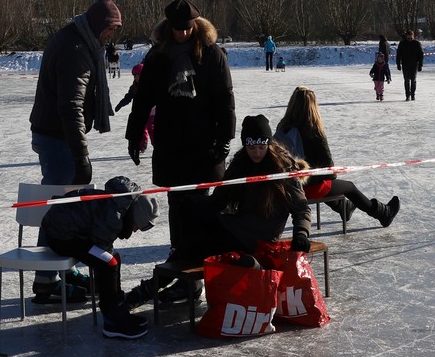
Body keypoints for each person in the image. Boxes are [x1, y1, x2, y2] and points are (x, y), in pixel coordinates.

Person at [125, 115, 310, 307]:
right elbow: (219, 200)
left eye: (261, 147)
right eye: (251, 148)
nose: (256, 152)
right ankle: (169, 285)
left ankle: (150, 289)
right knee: (191, 231)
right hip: (236, 229)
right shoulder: (240, 163)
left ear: (268, 144)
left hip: (260, 239)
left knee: (194, 245)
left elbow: (301, 208)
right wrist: (196, 203)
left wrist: (301, 233)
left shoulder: (283, 168)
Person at [124, 0, 235, 304]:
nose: (183, 34)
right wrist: (134, 135)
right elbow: (143, 98)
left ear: (195, 26)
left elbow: (225, 98)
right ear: (169, 27)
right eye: (178, 29)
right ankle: (184, 276)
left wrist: (225, 138)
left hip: (203, 145)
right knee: (177, 206)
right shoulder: (158, 55)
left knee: (199, 208)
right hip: (171, 144)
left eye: (187, 29)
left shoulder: (211, 53)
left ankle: (197, 277)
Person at [27, 0, 124, 304]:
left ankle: (63, 271)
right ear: (98, 25)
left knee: (64, 210)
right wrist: (81, 156)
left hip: (55, 135)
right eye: (110, 29)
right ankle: (46, 281)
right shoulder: (76, 49)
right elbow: (71, 107)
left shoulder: (76, 39)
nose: (111, 35)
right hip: (59, 139)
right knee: (58, 212)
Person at [40, 175, 158, 339]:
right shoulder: (114, 216)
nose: (135, 230)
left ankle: (118, 310)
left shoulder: (118, 204)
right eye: (137, 226)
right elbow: (104, 253)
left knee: (113, 260)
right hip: (61, 236)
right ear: (135, 215)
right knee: (108, 264)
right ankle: (113, 321)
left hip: (68, 230)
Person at [273, 85, 399, 227]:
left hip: (284, 186)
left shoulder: (282, 127)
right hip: (305, 188)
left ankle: (344, 207)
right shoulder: (313, 130)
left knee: (326, 183)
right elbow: (329, 170)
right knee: (349, 187)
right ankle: (383, 214)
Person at [397, 29, 425, 101]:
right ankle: (407, 95)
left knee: (413, 80)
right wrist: (398, 64)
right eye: (408, 37)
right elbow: (398, 54)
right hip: (405, 64)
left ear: (413, 36)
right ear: (406, 36)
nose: (410, 39)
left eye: (411, 37)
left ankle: (413, 94)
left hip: (414, 64)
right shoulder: (402, 43)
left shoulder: (417, 43)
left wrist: (420, 65)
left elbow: (421, 55)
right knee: (406, 80)